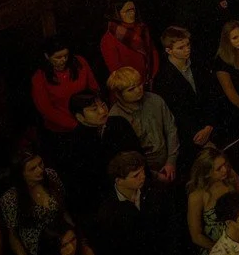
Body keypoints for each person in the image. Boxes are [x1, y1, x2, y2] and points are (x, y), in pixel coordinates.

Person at [58, 93, 140, 221]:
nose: (102, 111)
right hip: (104, 205)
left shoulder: (119, 123)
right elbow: (83, 185)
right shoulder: (75, 144)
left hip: (136, 188)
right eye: (94, 109)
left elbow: (137, 155)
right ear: (79, 117)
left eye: (103, 105)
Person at [157, 28, 218, 175]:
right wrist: (198, 133)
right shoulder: (164, 78)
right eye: (181, 47)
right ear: (169, 50)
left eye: (188, 45)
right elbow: (176, 113)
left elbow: (210, 95)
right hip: (190, 136)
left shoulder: (197, 64)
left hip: (210, 125)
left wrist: (209, 125)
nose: (187, 49)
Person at [0, 147, 66, 255]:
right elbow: (13, 236)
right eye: (32, 168)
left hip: (61, 242)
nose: (40, 170)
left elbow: (64, 211)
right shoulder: (11, 198)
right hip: (36, 252)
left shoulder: (51, 176)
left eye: (40, 164)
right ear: (21, 173)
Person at [107, 67, 180, 183]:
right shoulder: (116, 118)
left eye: (139, 84)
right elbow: (125, 157)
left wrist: (171, 161)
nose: (139, 90)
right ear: (119, 94)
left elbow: (171, 129)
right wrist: (153, 175)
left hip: (168, 161)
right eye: (131, 89)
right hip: (141, 173)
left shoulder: (155, 100)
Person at [186, 146, 239, 255]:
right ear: (207, 172)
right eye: (219, 169)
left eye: (225, 165)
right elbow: (196, 235)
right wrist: (222, 250)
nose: (225, 170)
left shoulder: (231, 178)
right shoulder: (197, 196)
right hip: (217, 249)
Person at [31, 38, 101, 139]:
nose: (63, 60)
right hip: (60, 130)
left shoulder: (79, 62)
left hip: (87, 121)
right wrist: (74, 125)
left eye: (66, 55)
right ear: (47, 56)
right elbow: (46, 109)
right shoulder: (39, 77)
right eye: (58, 57)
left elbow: (94, 87)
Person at [101, 0, 161, 87]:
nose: (132, 13)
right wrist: (134, 84)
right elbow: (116, 69)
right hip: (130, 86)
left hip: (149, 81)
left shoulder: (142, 29)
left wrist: (152, 75)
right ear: (116, 14)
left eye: (133, 10)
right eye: (127, 11)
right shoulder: (109, 38)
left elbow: (153, 52)